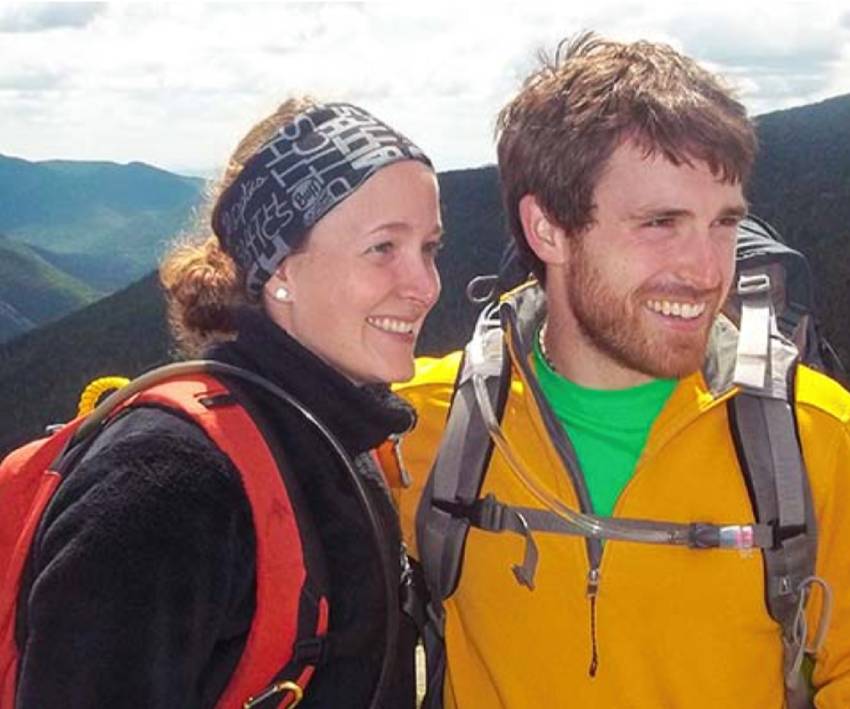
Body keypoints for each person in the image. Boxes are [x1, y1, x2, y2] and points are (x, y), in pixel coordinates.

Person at [395, 34, 850, 707]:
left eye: (724, 223)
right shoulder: (421, 425)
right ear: (548, 228)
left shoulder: (816, 437)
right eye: (660, 222)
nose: (706, 270)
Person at [13, 98, 443, 707]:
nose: (426, 286)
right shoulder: (167, 484)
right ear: (280, 269)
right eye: (383, 248)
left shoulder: (329, 434)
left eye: (430, 247)